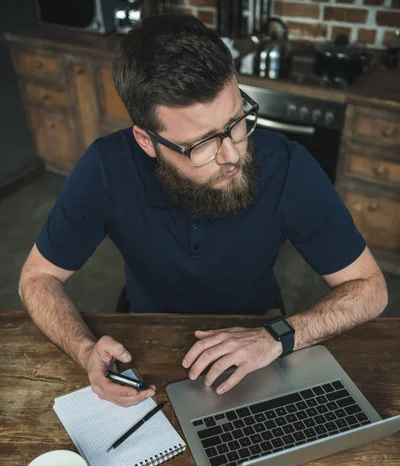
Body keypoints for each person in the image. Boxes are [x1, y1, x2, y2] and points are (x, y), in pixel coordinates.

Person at [19, 14, 388, 407]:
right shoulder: (106, 168)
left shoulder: (289, 166)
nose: (232, 155)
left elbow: (371, 289)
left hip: (259, 336)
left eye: (235, 123)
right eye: (201, 144)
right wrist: (83, 348)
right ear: (147, 142)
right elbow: (38, 277)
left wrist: (275, 337)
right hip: (143, 343)